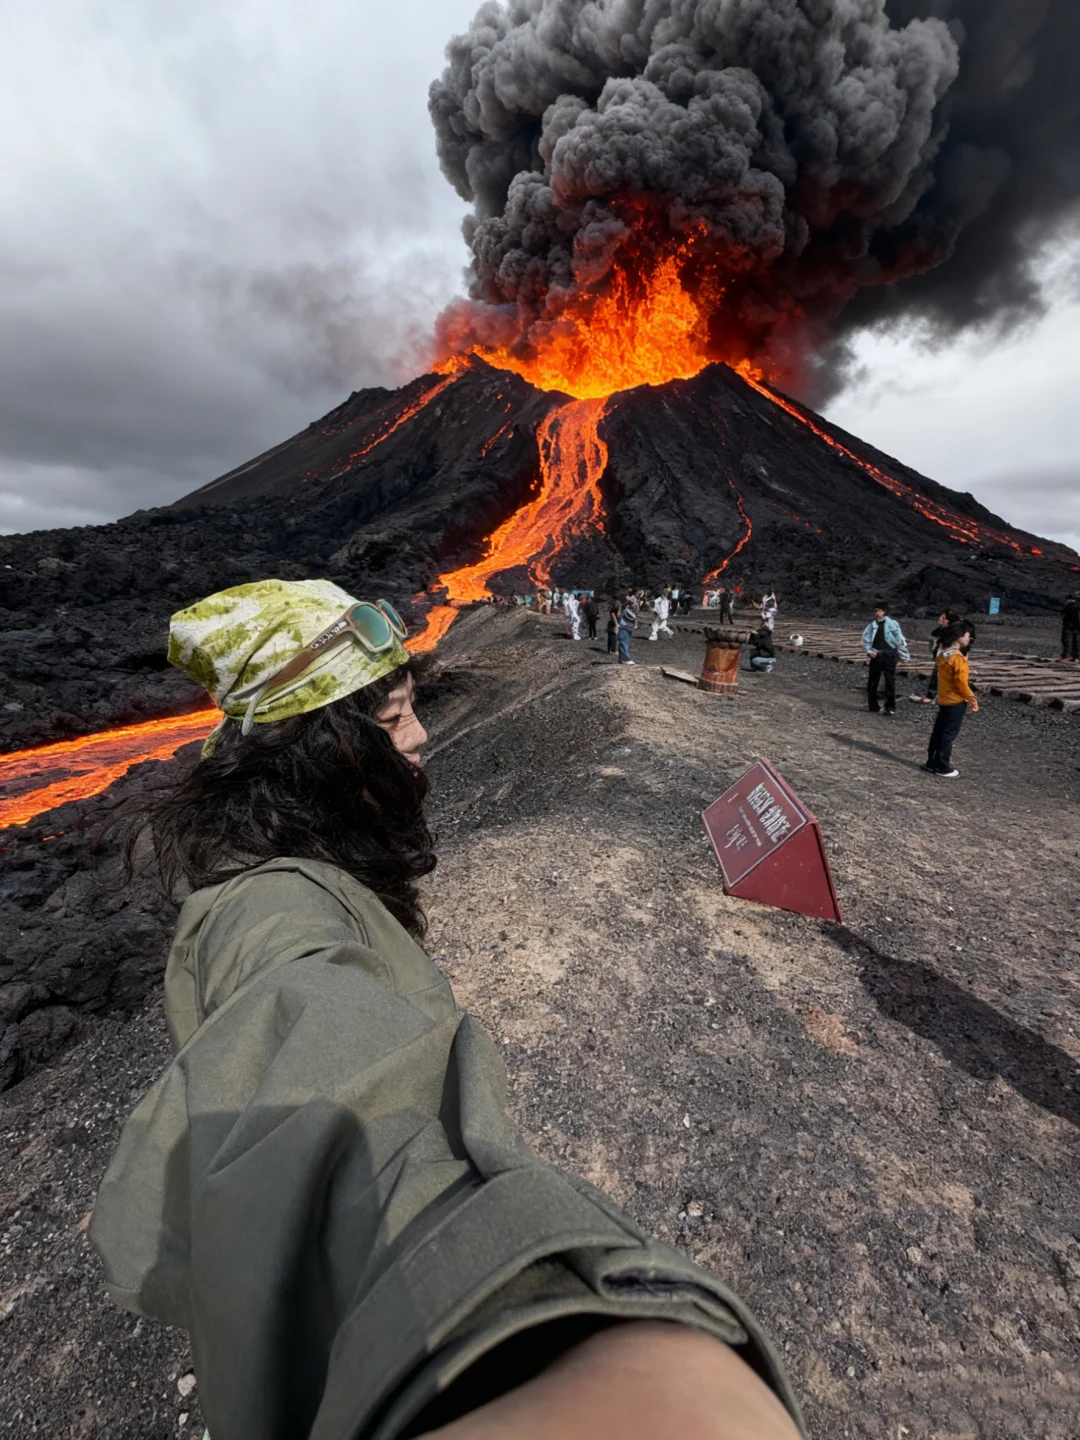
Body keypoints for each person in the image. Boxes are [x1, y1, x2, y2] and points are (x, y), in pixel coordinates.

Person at [89, 578, 804, 1440]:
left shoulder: (272, 848)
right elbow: (319, 1048)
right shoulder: (272, 912)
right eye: (394, 719)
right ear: (320, 748)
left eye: (414, 708)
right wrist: (514, 1299)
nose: (422, 736)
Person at [924, 620, 978, 777]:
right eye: (967, 636)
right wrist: (971, 697)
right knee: (948, 734)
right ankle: (942, 765)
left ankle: (931, 762)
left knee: (939, 731)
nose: (969, 639)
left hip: (944, 698)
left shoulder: (943, 655)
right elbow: (961, 682)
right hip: (955, 700)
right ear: (959, 637)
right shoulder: (958, 658)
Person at [862, 603, 910, 715]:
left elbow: (900, 640)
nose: (877, 613)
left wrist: (903, 656)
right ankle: (873, 705)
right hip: (877, 654)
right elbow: (865, 639)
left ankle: (890, 707)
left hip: (890, 654)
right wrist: (869, 651)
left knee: (890, 682)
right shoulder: (872, 625)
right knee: (872, 681)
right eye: (875, 610)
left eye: (879, 610)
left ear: (885, 611)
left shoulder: (893, 624)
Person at [617, 590, 638, 665]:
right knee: (624, 641)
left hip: (628, 625)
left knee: (625, 642)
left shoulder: (630, 605)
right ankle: (626, 658)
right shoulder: (621, 606)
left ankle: (622, 658)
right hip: (624, 625)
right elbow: (618, 615)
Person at [1061, 593, 1080, 662]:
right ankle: (1075, 656)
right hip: (1074, 625)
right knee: (1074, 641)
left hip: (1070, 625)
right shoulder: (1074, 605)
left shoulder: (1071, 605)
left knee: (1068, 640)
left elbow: (1063, 613)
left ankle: (1068, 656)